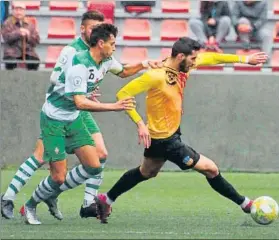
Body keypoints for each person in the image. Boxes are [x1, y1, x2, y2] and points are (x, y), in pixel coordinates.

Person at [1, 11, 159, 221]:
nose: (114, 46)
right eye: (110, 42)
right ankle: (13, 198)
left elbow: (122, 71)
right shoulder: (74, 55)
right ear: (88, 32)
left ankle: (81, 202)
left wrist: (143, 64)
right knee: (45, 161)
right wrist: (85, 92)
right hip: (57, 113)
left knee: (98, 159)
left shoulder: (105, 58)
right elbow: (59, 80)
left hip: (77, 113)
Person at [94, 37, 268, 224]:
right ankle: (247, 204)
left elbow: (212, 58)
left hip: (165, 135)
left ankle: (107, 199)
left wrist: (244, 60)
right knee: (211, 169)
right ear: (180, 56)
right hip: (165, 141)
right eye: (192, 59)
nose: (195, 63)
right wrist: (139, 123)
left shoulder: (184, 64)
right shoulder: (156, 75)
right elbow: (123, 94)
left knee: (147, 172)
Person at [1, 2, 40, 70]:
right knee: (10, 63)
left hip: (28, 52)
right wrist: (18, 33)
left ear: (24, 11)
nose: (18, 12)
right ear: (13, 11)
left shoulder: (30, 24)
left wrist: (28, 35)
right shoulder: (7, 23)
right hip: (11, 52)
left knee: (34, 62)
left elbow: (36, 41)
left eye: (21, 10)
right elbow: (6, 38)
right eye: (16, 9)